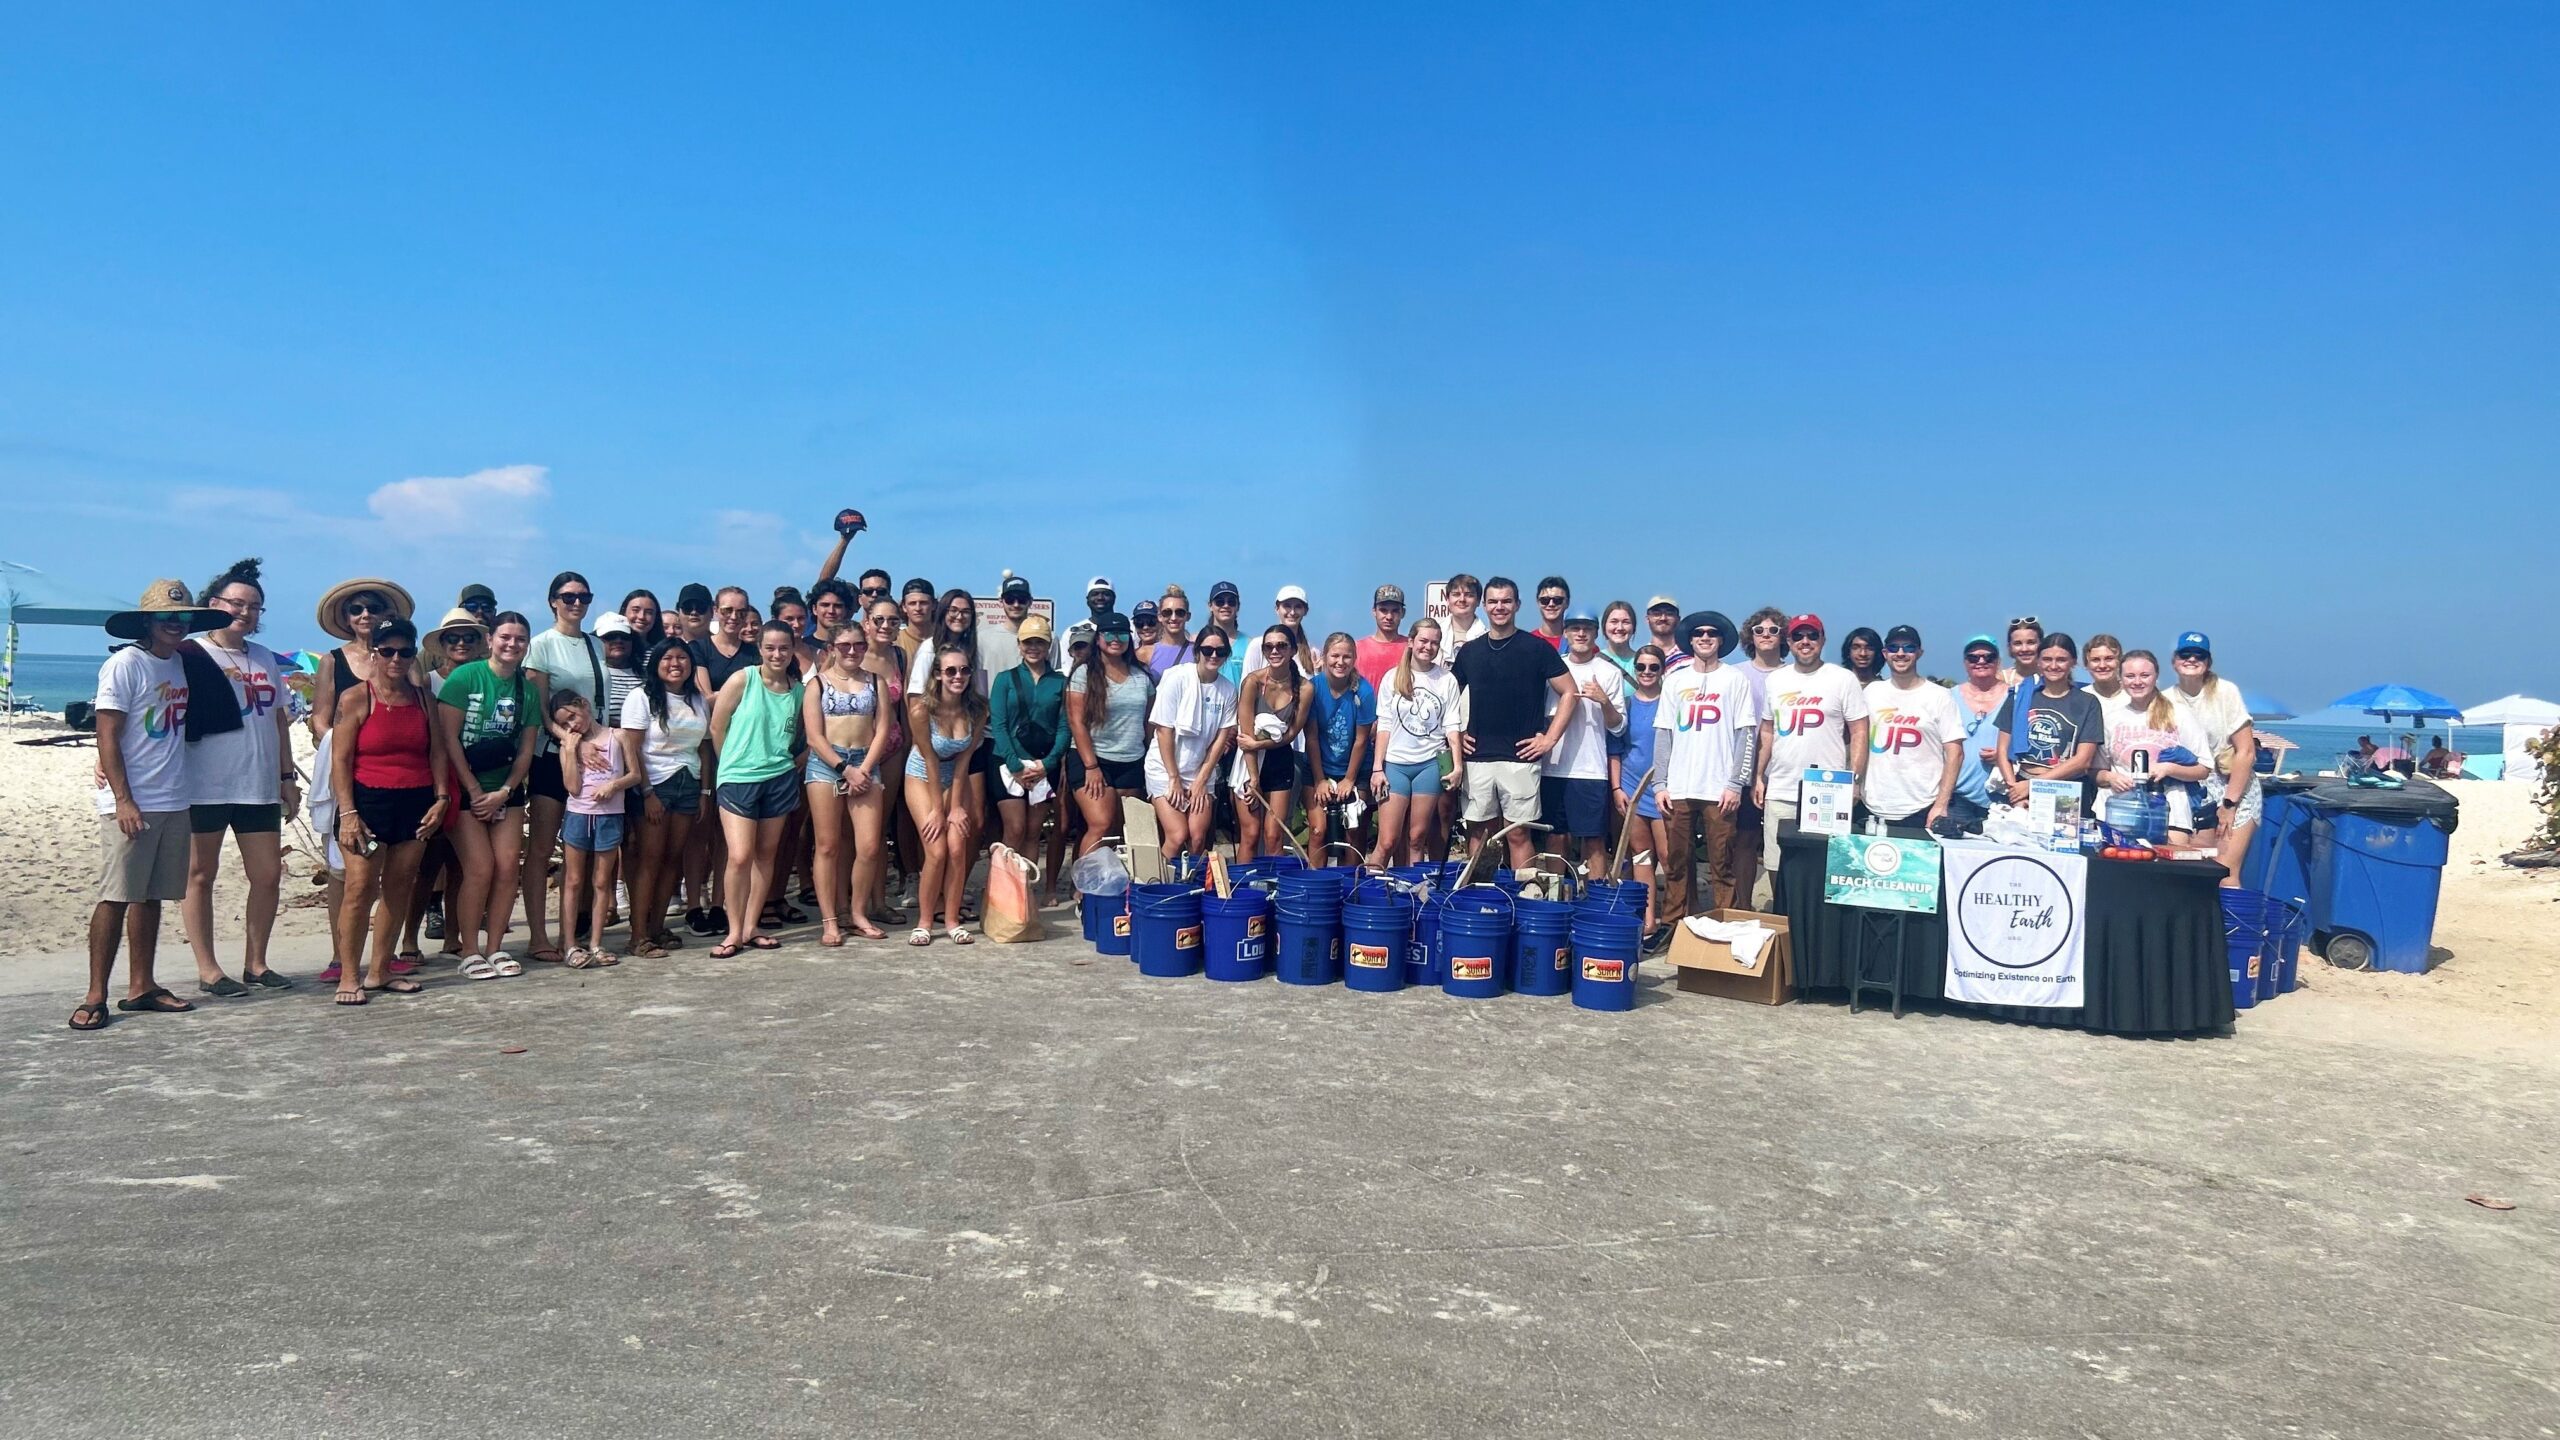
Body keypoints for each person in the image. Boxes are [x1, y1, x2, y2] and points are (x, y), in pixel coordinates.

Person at [69, 581, 225, 1030]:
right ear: (148, 622)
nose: (176, 626)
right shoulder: (124, 664)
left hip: (173, 797)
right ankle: (96, 993)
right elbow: (107, 735)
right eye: (167, 618)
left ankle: (142, 985)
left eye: (182, 619)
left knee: (153, 895)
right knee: (116, 895)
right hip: (132, 800)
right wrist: (122, 799)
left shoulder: (177, 663)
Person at [180, 558, 298, 996]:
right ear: (215, 604)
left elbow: (279, 720)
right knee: (199, 875)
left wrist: (287, 776)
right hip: (204, 782)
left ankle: (257, 962)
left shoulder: (266, 659)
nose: (245, 613)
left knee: (267, 874)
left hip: (258, 783)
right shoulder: (190, 653)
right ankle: (208, 968)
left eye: (255, 607)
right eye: (237, 603)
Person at [328, 618, 446, 1005]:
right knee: (360, 888)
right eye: (388, 650)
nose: (396, 658)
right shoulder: (356, 698)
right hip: (367, 803)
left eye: (405, 651)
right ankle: (349, 974)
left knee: (399, 888)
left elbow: (437, 752)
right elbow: (340, 760)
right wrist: (347, 813)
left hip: (414, 802)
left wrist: (441, 798)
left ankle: (380, 970)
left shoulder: (424, 699)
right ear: (375, 653)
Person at [437, 610, 543, 979]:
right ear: (490, 640)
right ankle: (469, 949)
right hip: (464, 786)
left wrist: (504, 792)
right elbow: (447, 739)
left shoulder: (527, 690)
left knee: (507, 866)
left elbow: (527, 748)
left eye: (520, 639)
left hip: (505, 789)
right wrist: (473, 790)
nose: (512, 644)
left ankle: (496, 947)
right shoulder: (465, 677)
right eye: (505, 637)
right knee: (479, 868)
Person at [1450, 578, 1576, 873]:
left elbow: (1570, 692)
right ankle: (1480, 896)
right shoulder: (1469, 652)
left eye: (1506, 601)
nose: (1499, 607)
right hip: (1478, 757)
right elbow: (1447, 699)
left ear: (1517, 605)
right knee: (1479, 833)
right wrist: (1456, 736)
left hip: (1521, 758)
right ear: (1484, 606)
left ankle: (1524, 897)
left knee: (1518, 833)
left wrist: (1549, 739)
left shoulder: (1537, 649)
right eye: (1493, 601)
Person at [1653, 611, 1759, 947]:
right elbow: (1664, 734)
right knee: (1676, 863)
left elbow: (1747, 735)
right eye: (1699, 633)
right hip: (1680, 786)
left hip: (1719, 789)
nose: (1705, 637)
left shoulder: (1734, 679)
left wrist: (1736, 783)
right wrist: (1660, 784)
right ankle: (1672, 927)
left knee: (1721, 863)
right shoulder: (1675, 680)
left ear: (1721, 640)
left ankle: (1724, 928)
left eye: (1712, 633)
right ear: (1691, 639)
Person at [1752, 614, 1871, 906]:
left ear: (1822, 640)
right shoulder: (1777, 679)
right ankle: (1784, 918)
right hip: (1781, 786)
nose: (1805, 643)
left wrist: (1855, 780)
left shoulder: (1842, 679)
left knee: (1825, 868)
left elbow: (1859, 731)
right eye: (1798, 637)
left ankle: (1819, 927)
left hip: (1828, 790)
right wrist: (1758, 775)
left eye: (1812, 636)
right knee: (1776, 864)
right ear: (1788, 642)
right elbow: (1767, 730)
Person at [522, 570, 607, 963]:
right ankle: (539, 935)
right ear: (553, 600)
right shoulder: (540, 646)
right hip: (553, 756)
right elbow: (539, 707)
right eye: (568, 596)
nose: (576, 603)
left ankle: (577, 932)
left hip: (595, 757)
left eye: (583, 597)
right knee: (542, 849)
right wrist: (569, 742)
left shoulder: (597, 645)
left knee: (585, 849)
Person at [708, 622, 805, 957]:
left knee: (766, 856)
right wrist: (730, 765)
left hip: (779, 777)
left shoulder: (798, 690)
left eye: (784, 648)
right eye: (770, 648)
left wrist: (793, 764)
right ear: (760, 649)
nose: (777, 654)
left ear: (792, 650)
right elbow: (717, 726)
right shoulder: (743, 679)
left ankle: (751, 926)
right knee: (739, 855)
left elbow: (803, 738)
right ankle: (733, 930)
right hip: (738, 777)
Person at [620, 639, 710, 959]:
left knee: (674, 859)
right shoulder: (641, 697)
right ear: (656, 663)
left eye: (682, 657)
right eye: (668, 657)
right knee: (650, 859)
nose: (676, 663)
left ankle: (657, 926)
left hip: (688, 783)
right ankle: (638, 934)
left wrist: (703, 791)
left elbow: (703, 747)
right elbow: (632, 747)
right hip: (655, 785)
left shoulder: (698, 700)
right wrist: (646, 792)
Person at [801, 623, 890, 944]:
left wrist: (863, 768)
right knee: (827, 845)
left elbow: (882, 729)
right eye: (844, 645)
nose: (852, 651)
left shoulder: (876, 682)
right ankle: (829, 920)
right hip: (827, 765)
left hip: (866, 761)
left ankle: (857, 912)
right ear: (832, 649)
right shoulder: (817, 684)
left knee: (868, 845)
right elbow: (814, 736)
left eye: (858, 645)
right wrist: (843, 768)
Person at [905, 643, 987, 944]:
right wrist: (938, 810)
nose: (958, 676)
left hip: (955, 776)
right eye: (950, 670)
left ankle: (952, 920)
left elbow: (965, 759)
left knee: (957, 849)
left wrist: (956, 807)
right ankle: (925, 922)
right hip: (922, 774)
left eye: (964, 670)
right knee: (936, 850)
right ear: (938, 674)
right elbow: (928, 758)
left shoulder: (977, 709)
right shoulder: (921, 709)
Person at [547, 691, 636, 967]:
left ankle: (597, 942)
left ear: (584, 705)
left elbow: (635, 774)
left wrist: (613, 785)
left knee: (601, 881)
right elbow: (572, 787)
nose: (573, 724)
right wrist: (571, 750)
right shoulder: (568, 746)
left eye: (574, 715)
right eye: (566, 723)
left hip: (610, 815)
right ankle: (570, 943)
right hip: (579, 815)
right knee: (573, 880)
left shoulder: (618, 737)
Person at [2167, 631, 2263, 881]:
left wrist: (2229, 805)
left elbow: (2246, 751)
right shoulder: (2165, 699)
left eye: (2199, 655)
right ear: (2174, 661)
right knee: (2193, 873)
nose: (2191, 659)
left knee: (2224, 872)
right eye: (2185, 654)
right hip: (2191, 789)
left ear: (2208, 662)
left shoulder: (2225, 691)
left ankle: (2233, 921)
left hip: (2232, 786)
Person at [991, 612, 1070, 905]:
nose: (1033, 647)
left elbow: (1065, 727)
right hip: (1007, 762)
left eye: (1039, 641)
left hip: (1042, 763)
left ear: (1048, 645)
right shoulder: (1005, 680)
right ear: (1019, 644)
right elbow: (998, 724)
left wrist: (1047, 764)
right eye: (1028, 642)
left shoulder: (1060, 682)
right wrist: (1014, 765)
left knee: (1033, 832)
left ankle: (1024, 892)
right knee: (1014, 829)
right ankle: (1001, 891)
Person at [2095, 650, 2213, 843]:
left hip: (2169, 811)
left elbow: (2204, 769)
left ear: (2156, 677)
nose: (2137, 682)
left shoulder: (2180, 714)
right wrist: (2111, 777)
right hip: (2119, 812)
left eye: (2145, 675)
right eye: (2130, 676)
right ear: (2121, 679)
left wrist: (2169, 769)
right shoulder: (2111, 719)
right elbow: (2095, 771)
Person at [1370, 617, 1461, 867]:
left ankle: (1411, 891)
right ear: (1411, 641)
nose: (1428, 647)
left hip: (1429, 764)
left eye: (1434, 643)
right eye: (1423, 640)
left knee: (1417, 837)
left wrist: (1457, 765)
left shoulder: (1446, 679)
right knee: (1388, 840)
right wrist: (1378, 768)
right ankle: (1365, 890)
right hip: (1396, 764)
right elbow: (1384, 726)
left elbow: (1452, 726)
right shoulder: (1393, 677)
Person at [1544, 609, 1628, 878]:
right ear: (1566, 632)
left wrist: (1603, 701)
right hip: (1553, 767)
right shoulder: (1552, 668)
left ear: (1596, 634)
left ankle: (1594, 900)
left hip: (1590, 770)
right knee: (1556, 838)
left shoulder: (1608, 672)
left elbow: (1618, 726)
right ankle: (1556, 899)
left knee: (1593, 840)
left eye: (1587, 629)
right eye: (1575, 628)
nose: (1581, 634)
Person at [1147, 627, 1239, 865]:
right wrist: (1173, 778)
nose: (1213, 655)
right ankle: (1159, 884)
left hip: (1201, 769)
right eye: (1208, 650)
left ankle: (1190, 886)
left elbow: (1221, 738)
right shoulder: (1176, 678)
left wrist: (1201, 780)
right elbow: (1164, 730)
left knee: (1198, 838)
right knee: (1178, 836)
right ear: (1198, 651)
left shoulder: (1228, 689)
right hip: (1166, 768)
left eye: (1220, 651)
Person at [1859, 625, 1964, 830]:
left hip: (1922, 809)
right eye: (1893, 647)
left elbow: (1955, 753)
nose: (1900, 653)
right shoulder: (1871, 692)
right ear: (1885, 653)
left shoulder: (1940, 696)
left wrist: (1941, 805)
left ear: (1919, 653)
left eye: (1908, 647)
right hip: (1872, 808)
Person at [1066, 613, 1152, 857]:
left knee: (1119, 829)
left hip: (1131, 760)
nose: (1116, 639)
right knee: (1101, 824)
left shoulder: (1142, 676)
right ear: (1099, 638)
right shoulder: (1083, 673)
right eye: (1110, 634)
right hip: (1092, 759)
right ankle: (1084, 888)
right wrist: (1091, 766)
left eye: (1122, 633)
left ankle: (1109, 884)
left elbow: (1148, 722)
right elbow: (1076, 721)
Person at [1994, 632, 2104, 807]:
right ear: (2038, 661)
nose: (2053, 666)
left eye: (2061, 660)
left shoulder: (2088, 702)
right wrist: (2016, 791)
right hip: (2022, 786)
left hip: (2067, 790)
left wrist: (2034, 786)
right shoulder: (2019, 696)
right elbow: (2002, 750)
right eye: (2047, 659)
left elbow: (2083, 760)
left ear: (2073, 662)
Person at [1234, 624, 1314, 861]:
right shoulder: (1252, 682)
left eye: (1281, 645)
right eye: (1269, 647)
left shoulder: (1305, 688)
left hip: (1279, 759)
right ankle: (1243, 890)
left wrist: (1260, 745)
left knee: (1274, 835)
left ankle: (1273, 889)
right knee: (1250, 834)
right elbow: (1245, 734)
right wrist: (1254, 777)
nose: (1275, 651)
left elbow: (1291, 734)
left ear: (1292, 650)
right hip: (1248, 763)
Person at [1729, 605, 1791, 908]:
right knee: (1745, 840)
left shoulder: (1793, 675)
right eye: (1759, 630)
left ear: (1783, 637)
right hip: (1744, 769)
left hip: (1783, 771)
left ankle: (1785, 905)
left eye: (1773, 630)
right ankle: (1742, 904)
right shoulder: (1735, 674)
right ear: (1749, 636)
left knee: (1785, 842)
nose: (1766, 635)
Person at [860, 598, 915, 921]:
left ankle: (878, 902)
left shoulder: (899, 656)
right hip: (852, 752)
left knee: (878, 830)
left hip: (892, 748)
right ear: (866, 621)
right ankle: (846, 905)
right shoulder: (848, 651)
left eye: (893, 621)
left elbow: (904, 707)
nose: (885, 626)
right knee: (846, 833)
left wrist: (908, 744)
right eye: (879, 620)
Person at [310, 578, 416, 738]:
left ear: (385, 615)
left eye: (373, 609)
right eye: (356, 610)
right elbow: (319, 719)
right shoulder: (331, 661)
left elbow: (419, 706)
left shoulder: (404, 655)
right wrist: (343, 746)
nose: (365, 615)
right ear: (347, 618)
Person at [1305, 634, 1377, 866]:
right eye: (1335, 656)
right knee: (1318, 830)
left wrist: (1349, 779)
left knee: (1353, 831)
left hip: (1355, 768)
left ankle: (1351, 887)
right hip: (1320, 766)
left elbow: (1361, 740)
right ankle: (1317, 885)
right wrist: (1319, 780)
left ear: (1355, 658)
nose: (1340, 662)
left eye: (1347, 656)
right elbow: (1312, 737)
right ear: (1324, 657)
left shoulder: (1363, 692)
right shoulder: (1313, 688)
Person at [1613, 644, 1670, 932]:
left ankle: (1676, 917)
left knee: (1669, 856)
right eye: (1642, 667)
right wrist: (1616, 788)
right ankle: (1646, 920)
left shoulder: (1671, 702)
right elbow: (1617, 748)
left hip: (1663, 789)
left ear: (1663, 670)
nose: (1647, 672)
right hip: (1631, 788)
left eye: (1654, 667)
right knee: (1641, 855)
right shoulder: (1626, 703)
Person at [1355, 585, 1410, 688]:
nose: (1389, 617)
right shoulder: (1356, 648)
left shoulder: (1412, 647)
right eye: (1383, 610)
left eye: (1395, 611)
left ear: (1403, 613)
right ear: (1374, 611)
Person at [979, 572, 1032, 679]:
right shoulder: (982, 638)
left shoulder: (1048, 639)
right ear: (1001, 601)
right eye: (1010, 600)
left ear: (1030, 602)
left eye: (1021, 599)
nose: (1016, 604)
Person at [2083, 633, 2133, 734]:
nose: (2102, 665)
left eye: (2109, 659)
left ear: (2119, 662)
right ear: (2086, 665)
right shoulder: (2081, 698)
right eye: (2095, 660)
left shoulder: (2134, 696)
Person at [1144, 586, 1197, 679]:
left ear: (1188, 616)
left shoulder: (1198, 651)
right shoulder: (1145, 653)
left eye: (1179, 612)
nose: (1173, 618)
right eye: (1167, 612)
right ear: (1160, 617)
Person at [1205, 581, 1245, 680]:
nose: (1226, 606)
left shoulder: (1249, 644)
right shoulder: (1196, 642)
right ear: (1210, 606)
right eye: (1220, 602)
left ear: (1238, 606)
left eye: (1231, 602)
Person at [1597, 601, 1644, 679]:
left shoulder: (1644, 664)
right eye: (1614, 622)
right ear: (1604, 626)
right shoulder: (1594, 661)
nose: (1620, 628)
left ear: (1634, 628)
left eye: (1626, 622)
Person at [1440, 573, 1486, 649]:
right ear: (1447, 599)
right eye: (1456, 594)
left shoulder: (1488, 639)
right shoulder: (1434, 635)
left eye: (1469, 595)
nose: (1462, 599)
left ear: (1478, 601)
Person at [900, 578, 942, 662]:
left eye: (923, 603)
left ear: (934, 605)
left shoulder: (943, 640)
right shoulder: (895, 642)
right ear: (904, 607)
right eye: (912, 603)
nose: (918, 608)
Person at [2001, 615, 2044, 689]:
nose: (2024, 649)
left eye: (2031, 643)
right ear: (2010, 647)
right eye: (2018, 643)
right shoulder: (2000, 679)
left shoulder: (2051, 678)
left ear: (2042, 644)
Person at [1643, 597, 1685, 669]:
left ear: (1678, 620)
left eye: (1669, 614)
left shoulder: (1690, 656)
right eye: (1656, 614)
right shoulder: (1641, 656)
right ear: (1647, 619)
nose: (1663, 618)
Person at [1531, 576, 1572, 648]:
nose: (1551, 604)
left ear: (1567, 602)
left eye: (1557, 600)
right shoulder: (1527, 642)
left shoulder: (1579, 644)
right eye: (1545, 600)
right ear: (1538, 602)